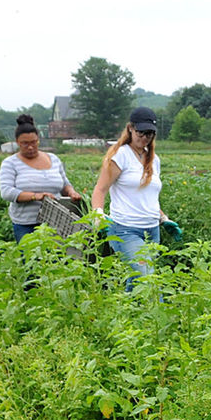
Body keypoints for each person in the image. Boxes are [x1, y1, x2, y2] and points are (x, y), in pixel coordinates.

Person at [91, 107, 172, 290]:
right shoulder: (120, 156)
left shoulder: (154, 160)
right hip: (125, 230)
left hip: (152, 230)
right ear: (130, 129)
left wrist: (163, 217)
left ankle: (124, 308)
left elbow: (147, 197)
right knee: (148, 280)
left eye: (149, 134)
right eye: (140, 132)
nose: (144, 138)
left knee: (136, 282)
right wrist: (98, 213)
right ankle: (157, 309)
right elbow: (100, 189)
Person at [0, 114, 83, 242]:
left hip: (56, 222)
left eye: (33, 142)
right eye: (25, 143)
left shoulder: (53, 159)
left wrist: (71, 192)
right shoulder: (10, 163)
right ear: (17, 142)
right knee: (31, 253)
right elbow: (6, 192)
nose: (30, 147)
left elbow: (64, 184)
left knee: (58, 253)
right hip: (27, 224)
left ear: (38, 140)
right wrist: (36, 196)